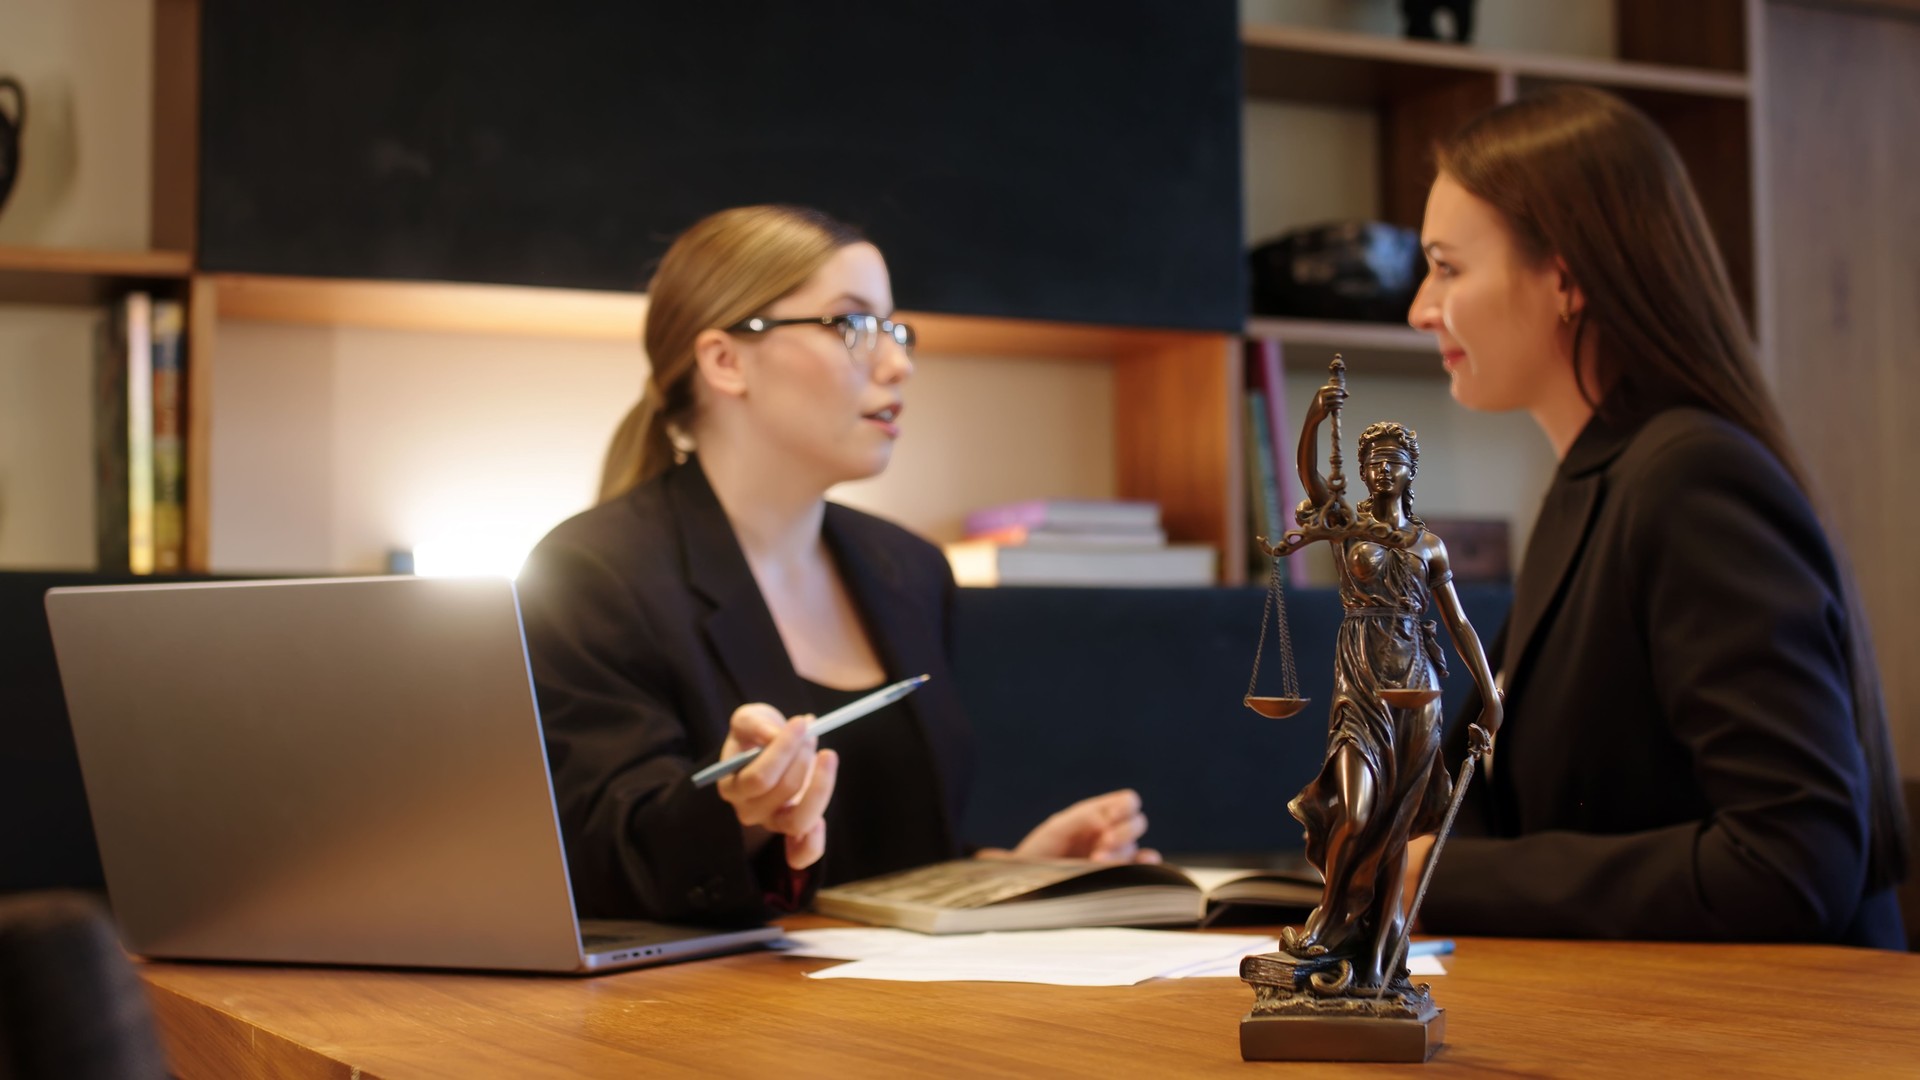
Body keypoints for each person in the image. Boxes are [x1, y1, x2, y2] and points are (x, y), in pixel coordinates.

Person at [516, 204, 1154, 924]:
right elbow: (603, 861)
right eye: (852, 326)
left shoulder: (908, 569)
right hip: (709, 1020)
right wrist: (744, 813)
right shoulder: (592, 573)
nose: (899, 362)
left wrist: (1004, 875)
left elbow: (876, 860)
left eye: (895, 328)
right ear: (725, 361)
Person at [1402, 86, 1907, 947]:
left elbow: (1791, 861)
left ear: (1564, 277)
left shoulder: (1689, 480)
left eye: (1448, 267)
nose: (1420, 308)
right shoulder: (1595, 482)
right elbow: (1490, 806)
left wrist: (1437, 876)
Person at [1262, 396, 1500, 992]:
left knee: (1397, 830)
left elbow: (1460, 624)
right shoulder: (1346, 527)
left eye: (1393, 461)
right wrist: (1315, 418)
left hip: (1416, 692)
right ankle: (1331, 919)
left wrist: (1490, 695)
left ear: (1409, 471)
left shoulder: (1429, 546)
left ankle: (1377, 958)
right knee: (1357, 809)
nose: (1381, 470)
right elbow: (1311, 477)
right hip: (1360, 685)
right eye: (1372, 461)